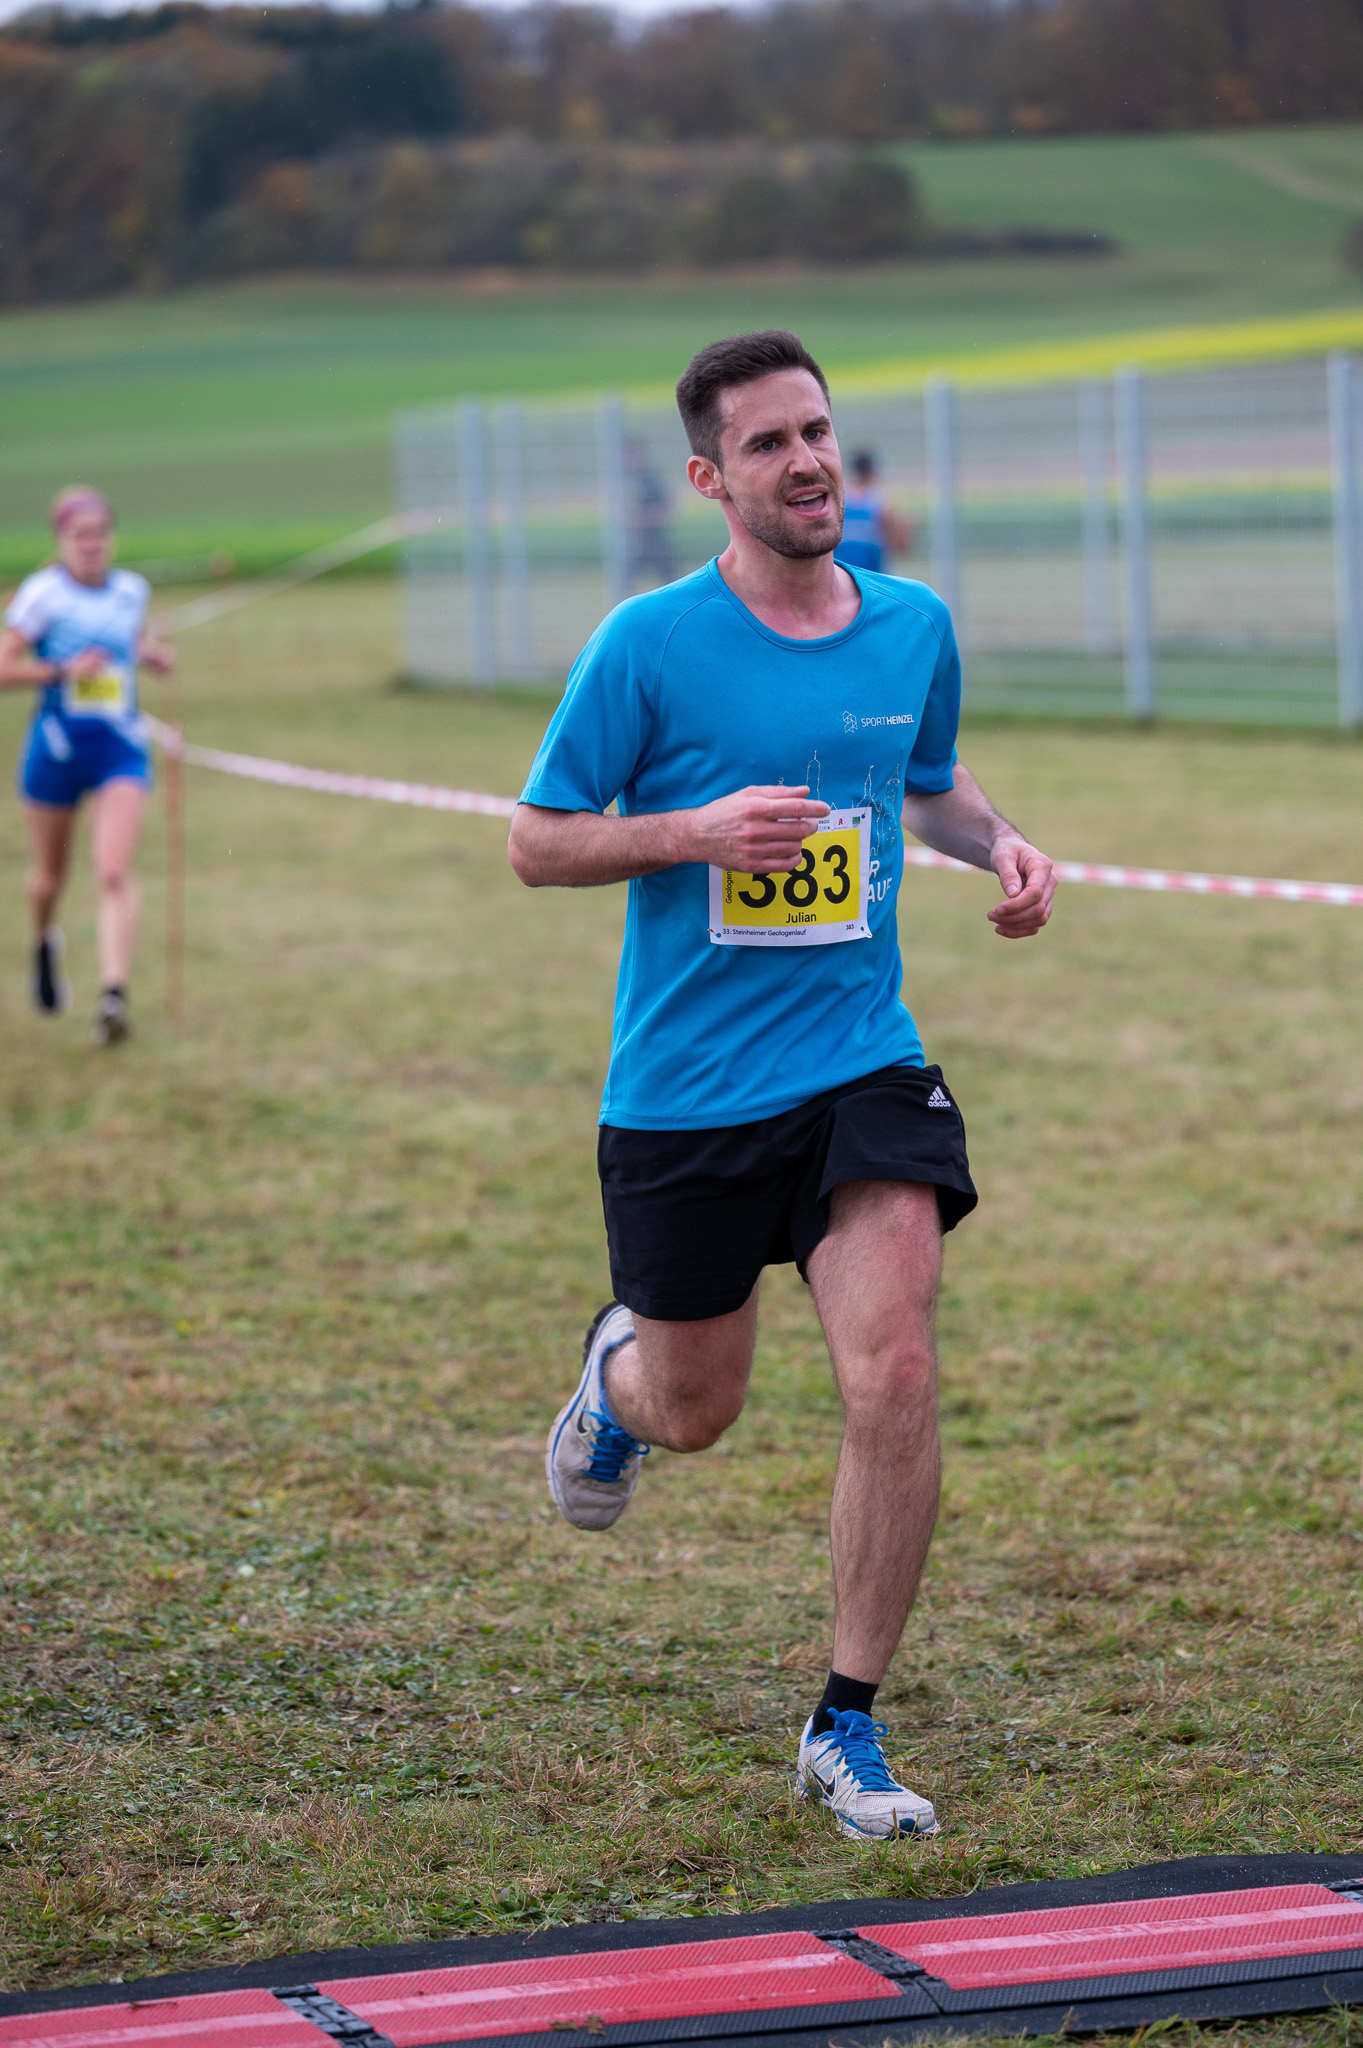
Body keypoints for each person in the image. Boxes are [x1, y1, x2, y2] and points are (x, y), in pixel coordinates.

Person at [508, 330, 1055, 1842]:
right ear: (710, 477)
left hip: (859, 1062)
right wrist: (693, 832)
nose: (805, 460)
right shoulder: (647, 643)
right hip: (685, 1088)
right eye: (766, 443)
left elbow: (927, 781)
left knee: (895, 1372)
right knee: (697, 1409)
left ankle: (844, 1721)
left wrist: (998, 841)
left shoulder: (910, 622)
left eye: (814, 430)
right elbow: (538, 839)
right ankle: (616, 1381)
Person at [0, 487, 174, 1045]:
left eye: (100, 533)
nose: (92, 544)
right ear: (62, 541)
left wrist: (149, 656)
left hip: (119, 750)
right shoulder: (43, 596)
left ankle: (113, 997)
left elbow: (127, 646)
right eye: (80, 535)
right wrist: (60, 671)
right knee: (49, 879)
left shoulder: (131, 591)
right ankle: (44, 941)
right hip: (55, 750)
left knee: (114, 871)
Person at [835, 449, 917, 574]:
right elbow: (900, 546)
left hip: (842, 573)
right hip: (872, 576)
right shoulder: (879, 503)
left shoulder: (838, 497)